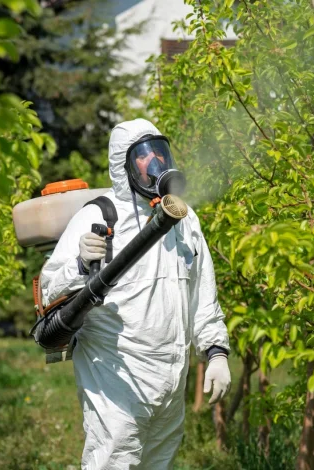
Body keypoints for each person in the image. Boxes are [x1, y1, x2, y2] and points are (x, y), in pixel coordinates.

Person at [40, 118, 231, 469]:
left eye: (159, 151)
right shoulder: (100, 215)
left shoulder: (184, 219)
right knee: (113, 461)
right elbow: (49, 287)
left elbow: (202, 294)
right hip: (115, 375)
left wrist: (215, 352)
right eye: (142, 155)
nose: (154, 161)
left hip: (171, 379)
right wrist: (80, 263)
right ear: (123, 166)